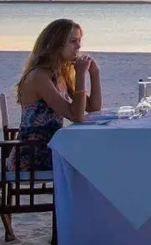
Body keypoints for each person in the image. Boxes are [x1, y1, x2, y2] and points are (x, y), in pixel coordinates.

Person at [12, 18, 103, 173]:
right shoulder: (39, 76)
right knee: (95, 161)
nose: (79, 46)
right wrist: (80, 75)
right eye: (73, 41)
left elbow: (93, 108)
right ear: (56, 44)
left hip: (53, 146)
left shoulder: (58, 73)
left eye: (79, 41)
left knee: (99, 157)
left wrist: (94, 74)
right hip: (33, 154)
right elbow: (76, 116)